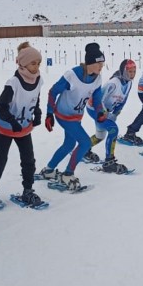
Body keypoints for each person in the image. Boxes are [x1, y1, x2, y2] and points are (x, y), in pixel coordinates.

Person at [0, 42, 45, 208]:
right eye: (33, 63)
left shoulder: (38, 80)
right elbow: (0, 107)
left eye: (38, 63)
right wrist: (12, 121)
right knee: (1, 159)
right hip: (6, 127)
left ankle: (28, 190)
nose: (36, 67)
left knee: (29, 160)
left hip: (23, 127)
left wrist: (37, 113)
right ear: (23, 64)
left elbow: (35, 99)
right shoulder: (13, 83)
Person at [38, 43, 106, 190]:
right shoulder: (72, 75)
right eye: (99, 63)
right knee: (85, 142)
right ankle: (68, 173)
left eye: (103, 63)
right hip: (63, 115)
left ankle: (49, 170)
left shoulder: (97, 79)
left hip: (76, 117)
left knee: (69, 144)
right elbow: (53, 91)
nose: (101, 67)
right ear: (90, 63)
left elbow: (97, 96)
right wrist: (49, 113)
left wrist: (100, 111)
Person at [84, 59, 137, 173]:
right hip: (95, 108)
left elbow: (123, 101)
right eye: (130, 72)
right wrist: (105, 113)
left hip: (105, 110)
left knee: (100, 136)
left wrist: (115, 113)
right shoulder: (113, 83)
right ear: (123, 71)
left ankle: (83, 150)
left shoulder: (129, 83)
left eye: (134, 72)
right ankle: (109, 162)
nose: (132, 75)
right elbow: (98, 99)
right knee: (113, 129)